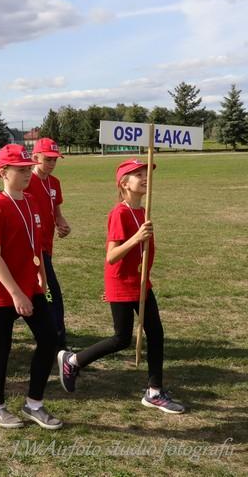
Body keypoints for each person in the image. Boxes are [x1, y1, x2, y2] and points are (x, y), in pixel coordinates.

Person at [58, 159, 185, 414]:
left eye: (146, 173)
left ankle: (154, 392)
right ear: (124, 183)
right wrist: (137, 238)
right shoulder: (120, 213)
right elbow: (112, 256)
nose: (145, 178)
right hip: (121, 282)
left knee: (156, 333)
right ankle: (73, 360)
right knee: (121, 338)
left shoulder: (143, 211)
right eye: (138, 175)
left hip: (141, 282)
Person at [0, 144, 61, 430]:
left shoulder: (31, 201)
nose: (27, 173)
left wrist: (41, 276)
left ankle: (34, 404)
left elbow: (36, 245)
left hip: (30, 284)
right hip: (0, 288)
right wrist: (15, 293)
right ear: (3, 172)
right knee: (1, 347)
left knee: (49, 339)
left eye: (28, 168)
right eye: (21, 169)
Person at [25, 138, 71, 350]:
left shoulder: (55, 183)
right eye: (48, 159)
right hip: (33, 249)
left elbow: (57, 213)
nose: (52, 163)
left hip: (47, 246)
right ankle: (58, 344)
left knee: (35, 293)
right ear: (35, 157)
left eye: (55, 160)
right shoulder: (26, 181)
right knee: (52, 295)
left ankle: (46, 338)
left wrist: (62, 224)